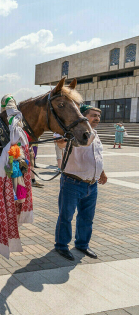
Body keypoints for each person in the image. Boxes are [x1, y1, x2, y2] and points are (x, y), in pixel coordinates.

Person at [54, 105, 106, 261]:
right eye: (93, 115)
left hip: (92, 184)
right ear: (83, 116)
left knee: (87, 217)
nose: (97, 118)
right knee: (66, 216)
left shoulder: (95, 134)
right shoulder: (72, 133)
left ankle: (82, 244)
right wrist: (60, 141)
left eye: (98, 116)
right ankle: (62, 246)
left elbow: (97, 156)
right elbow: (61, 143)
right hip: (72, 183)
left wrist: (101, 172)